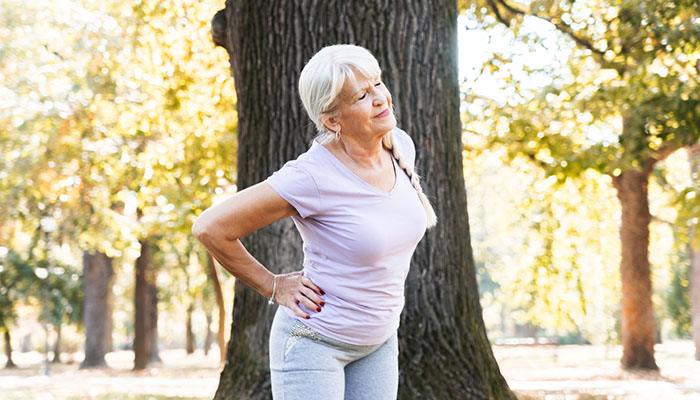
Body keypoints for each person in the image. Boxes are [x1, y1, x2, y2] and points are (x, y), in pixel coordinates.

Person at [192, 44, 436, 400]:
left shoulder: (400, 146)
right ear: (332, 120)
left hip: (379, 342)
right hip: (314, 341)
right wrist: (272, 285)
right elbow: (210, 228)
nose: (380, 98)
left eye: (378, 84)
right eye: (362, 96)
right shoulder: (311, 176)